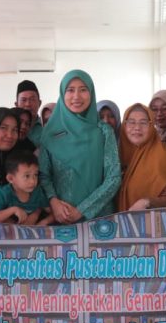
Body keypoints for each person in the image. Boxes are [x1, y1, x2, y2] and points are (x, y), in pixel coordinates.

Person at [38, 69, 121, 223]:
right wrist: (53, 202)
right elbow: (43, 175)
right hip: (61, 218)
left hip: (99, 219)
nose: (76, 96)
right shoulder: (50, 133)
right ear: (62, 94)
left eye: (83, 90)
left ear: (91, 93)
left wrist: (82, 210)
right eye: (70, 90)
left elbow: (113, 177)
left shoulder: (103, 131)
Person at [116, 103, 166, 211]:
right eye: (131, 122)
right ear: (124, 125)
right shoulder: (117, 155)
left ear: (151, 126)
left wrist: (147, 202)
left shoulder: (162, 156)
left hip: (149, 219)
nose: (137, 128)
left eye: (143, 123)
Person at [0, 149, 53, 225]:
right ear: (11, 178)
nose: (32, 181)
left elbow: (54, 212)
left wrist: (43, 222)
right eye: (27, 176)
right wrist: (13, 210)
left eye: (35, 175)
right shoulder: (2, 193)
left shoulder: (38, 193)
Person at [15, 80, 44, 145]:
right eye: (23, 100)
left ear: (39, 103)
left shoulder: (47, 127)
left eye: (32, 99)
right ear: (16, 105)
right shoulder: (10, 127)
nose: (28, 104)